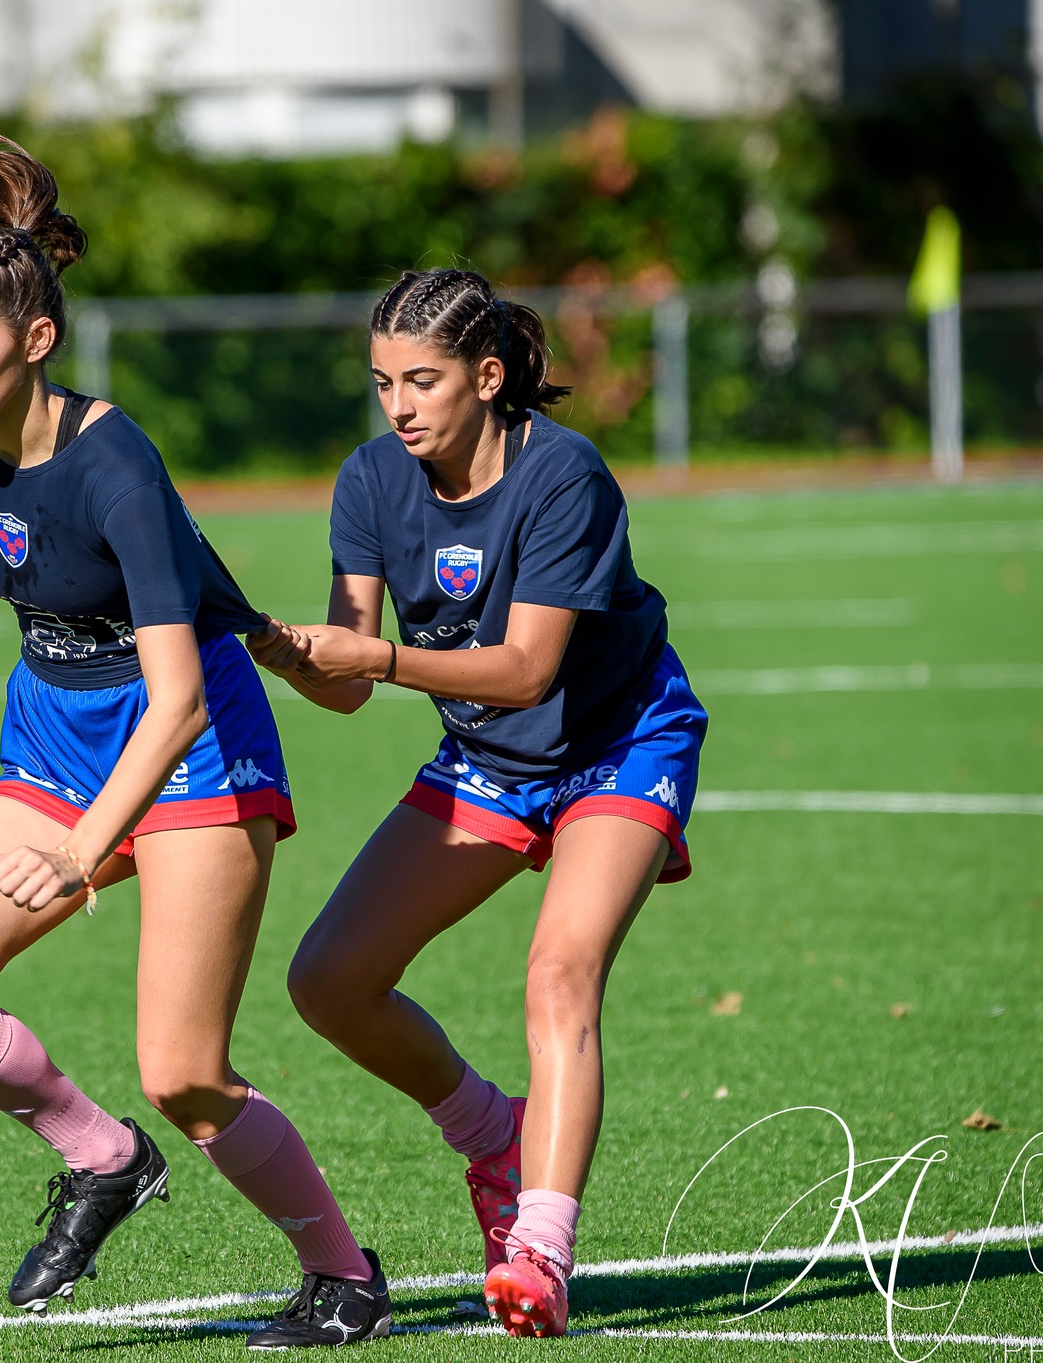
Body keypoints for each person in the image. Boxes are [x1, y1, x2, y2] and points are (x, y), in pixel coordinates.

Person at [0, 107, 390, 1348]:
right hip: (57, 736)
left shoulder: (116, 465)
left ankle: (343, 1275)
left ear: (35, 337)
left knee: (184, 1070)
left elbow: (181, 696)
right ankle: (101, 1160)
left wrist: (82, 852)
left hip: (189, 751)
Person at [250, 268, 706, 1339]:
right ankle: (490, 1135)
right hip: (489, 762)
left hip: (616, 744)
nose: (398, 406)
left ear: (486, 376)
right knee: (328, 980)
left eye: (422, 380)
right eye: (380, 383)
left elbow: (526, 671)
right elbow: (350, 685)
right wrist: (283, 653)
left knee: (557, 972)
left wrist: (373, 656)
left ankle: (539, 1249)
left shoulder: (566, 477)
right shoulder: (368, 480)